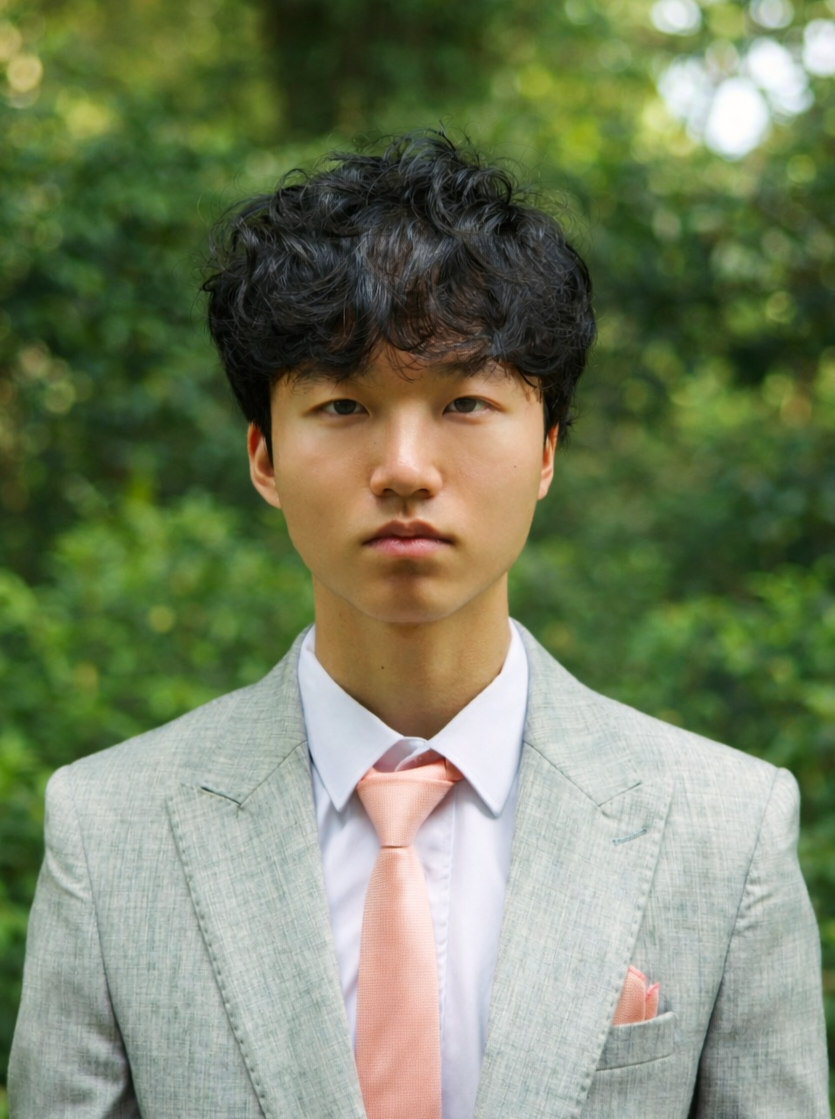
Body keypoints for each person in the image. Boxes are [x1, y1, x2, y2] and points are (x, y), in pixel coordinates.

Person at [9, 132, 829, 1119]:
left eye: (465, 401)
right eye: (343, 404)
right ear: (263, 456)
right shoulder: (112, 832)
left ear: (546, 450)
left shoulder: (725, 829)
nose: (404, 467)